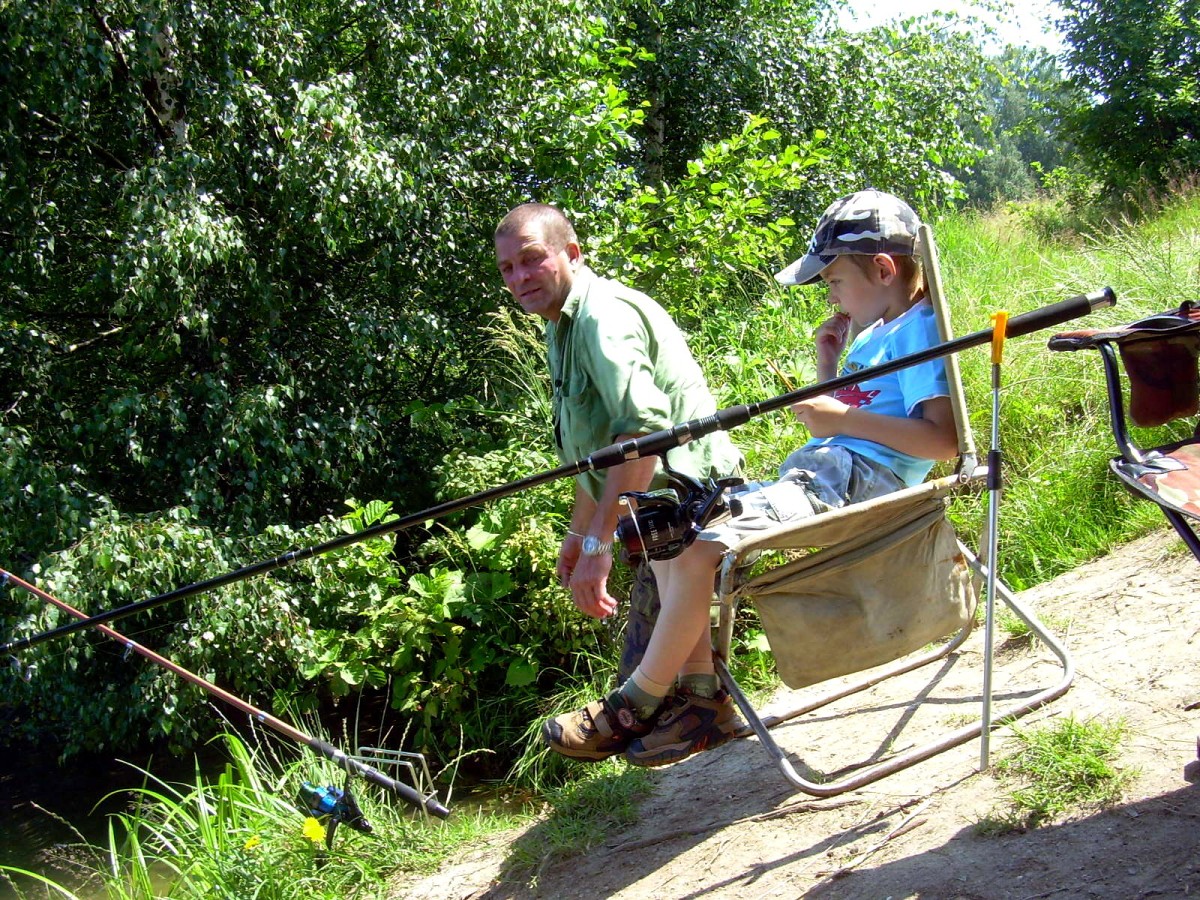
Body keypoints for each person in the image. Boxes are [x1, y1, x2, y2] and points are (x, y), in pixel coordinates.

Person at [543, 188, 960, 767]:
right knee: (668, 529)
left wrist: (839, 415)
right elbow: (838, 424)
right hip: (826, 475)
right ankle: (700, 704)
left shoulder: (917, 331)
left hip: (858, 485)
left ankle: (633, 703)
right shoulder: (875, 333)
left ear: (884, 269)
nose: (831, 295)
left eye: (835, 281)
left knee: (698, 549)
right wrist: (827, 365)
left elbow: (942, 441)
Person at [493, 202, 745, 748]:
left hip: (692, 491)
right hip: (657, 505)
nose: (519, 278)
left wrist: (598, 541)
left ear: (572, 254)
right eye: (507, 269)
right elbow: (595, 452)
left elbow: (642, 436)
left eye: (532, 260)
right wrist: (576, 530)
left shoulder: (601, 318)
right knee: (671, 570)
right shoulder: (561, 326)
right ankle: (706, 705)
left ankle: (634, 707)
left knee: (677, 565)